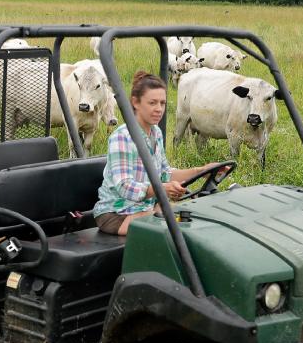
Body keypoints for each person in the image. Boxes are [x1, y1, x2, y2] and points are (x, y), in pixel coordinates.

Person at [93, 70, 221, 236]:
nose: (159, 109)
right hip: (117, 214)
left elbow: (165, 174)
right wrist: (161, 189)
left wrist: (202, 171)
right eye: (152, 103)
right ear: (136, 102)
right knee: (177, 231)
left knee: (199, 221)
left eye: (162, 103)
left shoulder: (156, 133)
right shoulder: (122, 137)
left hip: (147, 208)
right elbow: (124, 186)